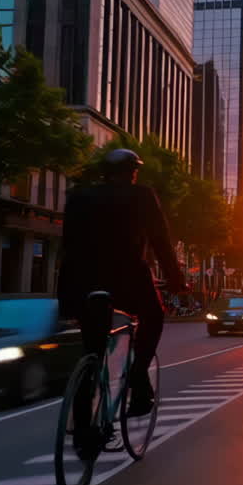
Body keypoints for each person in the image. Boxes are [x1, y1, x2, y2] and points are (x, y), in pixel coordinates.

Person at [59, 149, 186, 420]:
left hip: (85, 281)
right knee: (153, 316)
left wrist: (66, 298)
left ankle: (82, 431)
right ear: (132, 172)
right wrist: (176, 280)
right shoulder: (142, 196)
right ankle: (138, 379)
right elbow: (160, 241)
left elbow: (68, 246)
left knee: (92, 351)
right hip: (129, 277)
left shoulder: (79, 197)